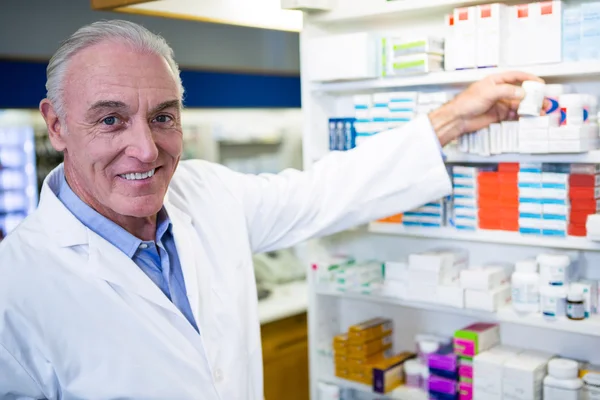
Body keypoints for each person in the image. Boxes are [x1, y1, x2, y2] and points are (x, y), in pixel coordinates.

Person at [0, 20, 543, 400]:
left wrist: (453, 120)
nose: (145, 149)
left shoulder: (206, 194)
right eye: (111, 120)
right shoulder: (16, 286)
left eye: (163, 117)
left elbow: (325, 193)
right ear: (56, 125)